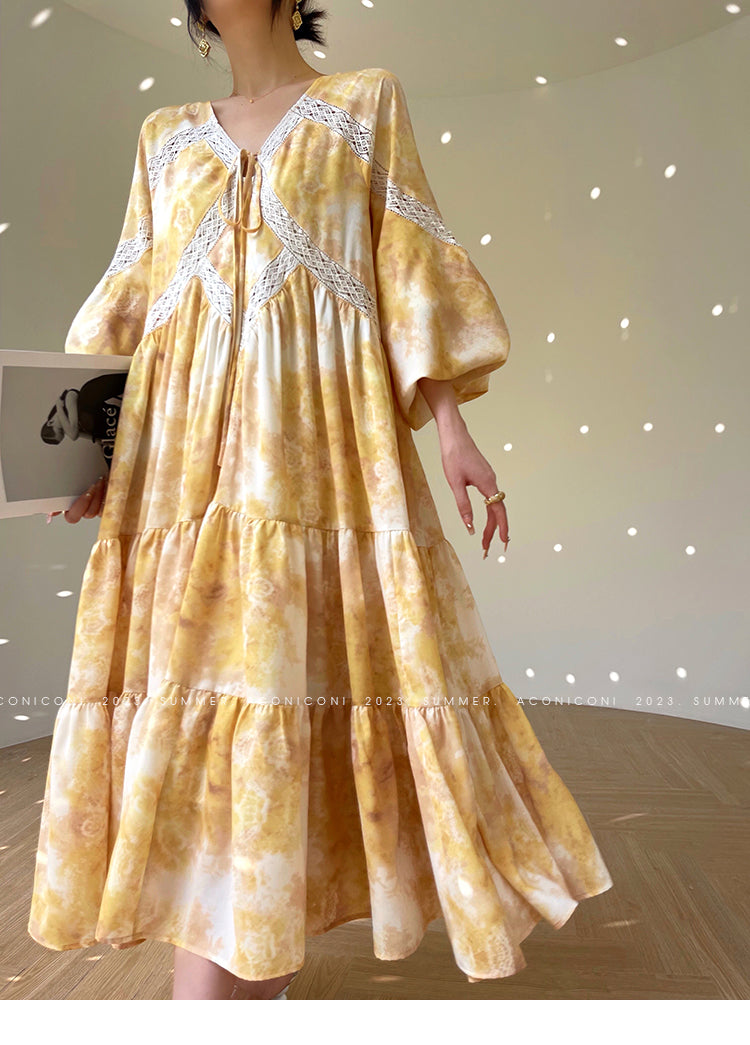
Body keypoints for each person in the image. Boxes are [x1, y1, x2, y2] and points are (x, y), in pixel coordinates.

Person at [30, 0, 613, 1001]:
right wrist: (96, 455)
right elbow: (133, 306)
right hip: (182, 478)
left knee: (298, 690)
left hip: (323, 459)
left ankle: (253, 961)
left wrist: (454, 430)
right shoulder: (164, 137)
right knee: (202, 702)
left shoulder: (363, 104)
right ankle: (234, 968)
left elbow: (409, 272)